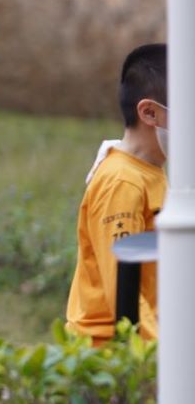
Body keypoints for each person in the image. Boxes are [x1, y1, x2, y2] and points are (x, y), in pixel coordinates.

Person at [65, 43, 168, 344]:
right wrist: (166, 355)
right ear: (149, 112)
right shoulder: (122, 183)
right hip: (109, 354)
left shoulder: (150, 171)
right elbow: (124, 295)